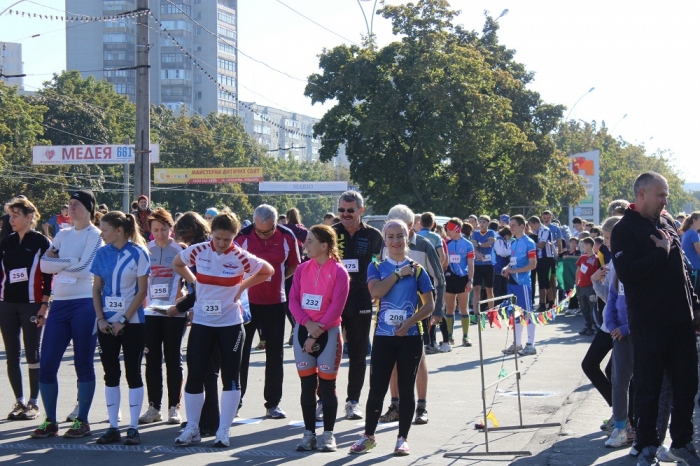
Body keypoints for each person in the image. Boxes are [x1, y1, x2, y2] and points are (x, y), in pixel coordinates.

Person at [611, 172, 700, 465]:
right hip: (650, 323)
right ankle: (647, 445)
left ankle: (682, 443)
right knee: (648, 388)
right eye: (660, 195)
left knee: (687, 385)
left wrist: (695, 307)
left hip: (681, 321)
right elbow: (629, 273)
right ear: (641, 195)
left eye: (667, 195)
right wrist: (659, 254)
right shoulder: (625, 229)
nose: (665, 200)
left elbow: (682, 271)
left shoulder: (666, 222)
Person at [173, 211, 273, 448]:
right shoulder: (199, 250)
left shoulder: (239, 255)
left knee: (230, 377)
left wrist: (242, 286)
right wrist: (194, 281)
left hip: (230, 324)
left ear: (234, 237)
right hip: (202, 323)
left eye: (226, 239)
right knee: (195, 375)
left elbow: (267, 270)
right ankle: (193, 428)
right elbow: (178, 262)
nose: (221, 243)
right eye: (217, 238)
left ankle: (223, 431)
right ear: (212, 234)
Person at [349, 219, 435, 456]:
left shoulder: (418, 269)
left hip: (410, 337)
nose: (396, 241)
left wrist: (410, 322)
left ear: (407, 238)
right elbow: (376, 292)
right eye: (391, 237)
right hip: (384, 336)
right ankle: (368, 436)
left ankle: (402, 439)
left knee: (406, 390)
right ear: (385, 241)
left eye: (400, 236)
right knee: (377, 388)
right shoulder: (376, 267)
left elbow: (429, 305)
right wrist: (398, 273)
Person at [31, 190, 103, 439]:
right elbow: (43, 265)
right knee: (47, 364)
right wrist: (68, 261)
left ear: (89, 208)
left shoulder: (95, 235)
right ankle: (50, 421)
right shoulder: (62, 234)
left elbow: (86, 269)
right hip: (59, 303)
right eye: (70, 204)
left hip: (84, 302)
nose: (71, 208)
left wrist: (60, 262)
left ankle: (81, 421)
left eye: (77, 204)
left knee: (83, 363)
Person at [377, 205, 445, 426]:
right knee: (393, 362)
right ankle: (395, 405)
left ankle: (421, 406)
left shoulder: (424, 245)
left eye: (400, 230)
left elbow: (439, 278)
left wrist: (437, 310)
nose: (395, 237)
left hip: (419, 312)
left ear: (409, 226)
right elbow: (381, 275)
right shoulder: (385, 245)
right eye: (390, 231)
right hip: (390, 314)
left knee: (419, 359)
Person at [236, 204, 301, 419]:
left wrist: (278, 280)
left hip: (275, 302)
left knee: (275, 355)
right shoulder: (243, 237)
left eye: (268, 230)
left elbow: (294, 265)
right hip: (247, 303)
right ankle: (235, 400)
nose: (263, 235)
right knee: (241, 353)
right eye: (259, 231)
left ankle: (273, 403)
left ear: (276, 223)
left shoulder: (286, 236)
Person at [288, 225, 349, 452]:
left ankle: (329, 435)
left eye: (311, 241)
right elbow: (293, 300)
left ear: (324, 246)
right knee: (307, 386)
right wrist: (307, 325)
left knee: (326, 386)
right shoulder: (303, 269)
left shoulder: (340, 272)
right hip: (304, 330)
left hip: (328, 332)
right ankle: (309, 434)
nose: (306, 245)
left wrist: (318, 331)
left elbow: (337, 307)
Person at [91, 211, 150, 445]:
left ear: (119, 230)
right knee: (110, 373)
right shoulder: (101, 253)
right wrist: (101, 320)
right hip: (105, 323)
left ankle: (133, 427)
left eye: (104, 230)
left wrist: (123, 320)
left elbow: (142, 291)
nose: (101, 234)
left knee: (133, 373)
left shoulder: (139, 253)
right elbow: (96, 289)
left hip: (132, 322)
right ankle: (113, 426)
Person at [332, 191, 383, 419]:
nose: (345, 214)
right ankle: (325, 400)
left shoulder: (374, 236)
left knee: (359, 353)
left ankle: (353, 401)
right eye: (341, 210)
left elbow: (381, 265)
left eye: (350, 210)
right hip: (333, 298)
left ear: (361, 211)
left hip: (362, 297)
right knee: (326, 352)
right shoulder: (331, 233)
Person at [0, 198, 51, 421]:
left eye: (15, 215)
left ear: (29, 217)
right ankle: (19, 401)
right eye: (10, 216)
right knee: (12, 354)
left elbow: (49, 277)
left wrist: (45, 305)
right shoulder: (5, 242)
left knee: (32, 353)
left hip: (32, 303)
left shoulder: (42, 242)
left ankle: (33, 402)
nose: (11, 220)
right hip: (6, 304)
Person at [172, 212, 220, 436]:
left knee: (205, 371)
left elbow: (202, 288)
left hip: (211, 318)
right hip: (210, 315)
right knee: (207, 371)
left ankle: (208, 421)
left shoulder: (201, 251)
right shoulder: (207, 247)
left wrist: (179, 307)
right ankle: (205, 419)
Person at [139, 208, 186, 425]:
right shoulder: (145, 250)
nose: (160, 234)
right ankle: (154, 407)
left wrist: (179, 302)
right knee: (152, 360)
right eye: (156, 230)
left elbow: (183, 279)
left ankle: (174, 407)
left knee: (173, 359)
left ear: (171, 229)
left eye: (164, 229)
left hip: (174, 312)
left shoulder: (179, 250)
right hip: (151, 312)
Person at [500, 215, 537, 356]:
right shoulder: (514, 243)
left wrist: (514, 270)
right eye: (510, 225)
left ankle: (531, 344)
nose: (511, 227)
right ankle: (517, 343)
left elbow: (533, 265)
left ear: (522, 226)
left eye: (514, 225)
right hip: (512, 282)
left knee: (527, 313)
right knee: (515, 314)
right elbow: (513, 261)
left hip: (523, 283)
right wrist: (507, 268)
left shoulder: (529, 242)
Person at [443, 218, 474, 349]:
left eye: (449, 230)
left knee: (463, 308)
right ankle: (450, 336)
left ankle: (465, 336)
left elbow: (471, 265)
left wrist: (470, 281)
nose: (447, 232)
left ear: (457, 229)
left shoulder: (468, 244)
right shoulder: (446, 243)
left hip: (462, 278)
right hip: (449, 278)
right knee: (449, 309)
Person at [528, 216, 556, 312]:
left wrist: (530, 244)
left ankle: (551, 302)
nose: (532, 228)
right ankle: (542, 303)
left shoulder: (544, 230)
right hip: (540, 258)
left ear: (536, 223)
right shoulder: (538, 231)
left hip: (546, 258)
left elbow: (541, 245)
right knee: (540, 282)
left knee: (546, 281)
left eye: (532, 226)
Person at [471, 215, 497, 317]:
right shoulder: (475, 233)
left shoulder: (491, 232)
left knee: (489, 289)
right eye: (480, 222)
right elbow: (473, 246)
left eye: (484, 222)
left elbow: (489, 243)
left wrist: (479, 244)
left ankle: (491, 312)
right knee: (476, 289)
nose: (482, 224)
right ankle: (476, 312)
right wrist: (478, 253)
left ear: (488, 223)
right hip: (477, 264)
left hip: (488, 264)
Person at [576, 237, 600, 336]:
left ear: (590, 245)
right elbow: (578, 270)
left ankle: (595, 327)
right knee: (584, 307)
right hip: (581, 286)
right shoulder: (582, 258)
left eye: (584, 245)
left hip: (591, 287)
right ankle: (587, 326)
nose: (583, 247)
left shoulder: (596, 259)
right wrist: (576, 282)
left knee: (592, 307)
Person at [680, 212, 700, 294]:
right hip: (695, 268)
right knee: (696, 296)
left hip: (689, 268)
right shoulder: (693, 234)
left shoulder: (687, 233)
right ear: (694, 220)